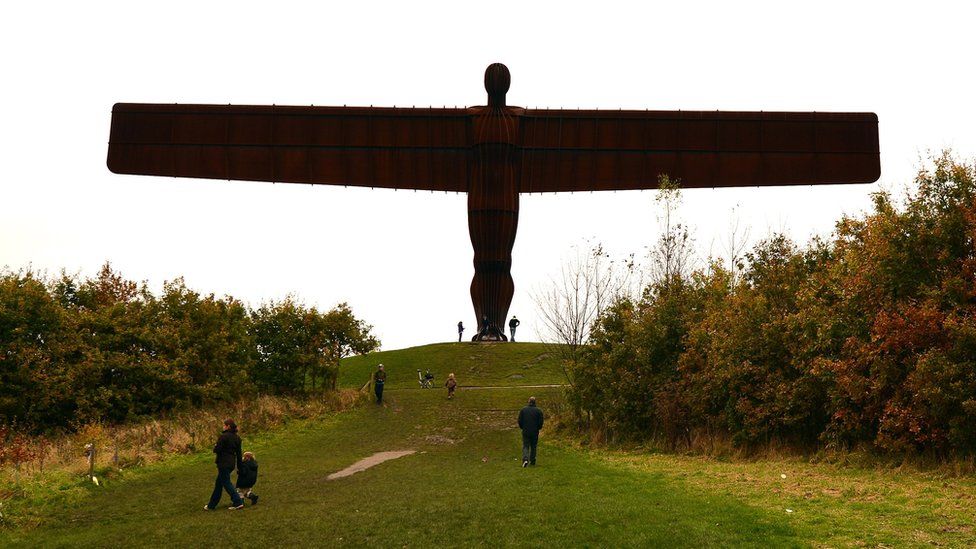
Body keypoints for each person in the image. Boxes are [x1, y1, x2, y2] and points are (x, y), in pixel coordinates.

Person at [205, 418, 245, 510]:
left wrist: (215, 446)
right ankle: (211, 505)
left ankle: (237, 501)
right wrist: (240, 467)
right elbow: (239, 454)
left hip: (223, 463)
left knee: (226, 483)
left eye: (224, 425)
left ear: (228, 426)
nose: (223, 427)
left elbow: (216, 450)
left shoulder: (223, 437)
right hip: (231, 463)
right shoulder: (237, 438)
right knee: (219, 484)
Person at [517, 396, 544, 467]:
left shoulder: (523, 410)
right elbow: (541, 422)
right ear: (535, 402)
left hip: (526, 430)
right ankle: (532, 460)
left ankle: (525, 459)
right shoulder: (539, 411)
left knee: (525, 445)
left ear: (529, 402)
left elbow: (519, 420)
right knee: (533, 446)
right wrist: (538, 428)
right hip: (535, 431)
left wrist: (522, 427)